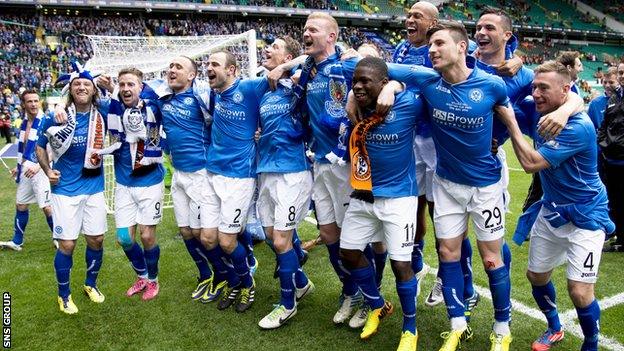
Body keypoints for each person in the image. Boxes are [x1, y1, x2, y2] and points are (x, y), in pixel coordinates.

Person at [386, 21, 518, 350]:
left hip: (485, 187)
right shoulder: (427, 81)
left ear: (461, 47)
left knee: (491, 259)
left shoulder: (491, 85)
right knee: (448, 253)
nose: (432, 50)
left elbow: (508, 116)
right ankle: (457, 325)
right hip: (445, 184)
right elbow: (376, 66)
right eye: (430, 46)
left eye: (439, 44)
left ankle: (502, 327)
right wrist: (391, 86)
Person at [505, 61, 613, 351]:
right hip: (552, 210)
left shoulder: (578, 127)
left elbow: (530, 163)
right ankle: (554, 327)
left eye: (544, 88)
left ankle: (590, 343)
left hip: (586, 213)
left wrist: (511, 123)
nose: (536, 94)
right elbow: (503, 97)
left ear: (566, 90)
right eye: (534, 87)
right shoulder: (538, 109)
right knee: (536, 276)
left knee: (579, 291)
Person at [268, 12, 364, 325]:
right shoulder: (308, 68)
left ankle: (368, 296)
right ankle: (350, 292)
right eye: (304, 28)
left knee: (357, 240)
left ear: (332, 37)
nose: (306, 33)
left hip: (350, 164)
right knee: (328, 234)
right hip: (321, 163)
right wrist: (286, 64)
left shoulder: (349, 65)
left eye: (313, 29)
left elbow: (380, 75)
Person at [340, 57, 423, 351]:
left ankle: (410, 329)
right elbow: (336, 62)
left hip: (399, 197)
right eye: (355, 82)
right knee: (348, 253)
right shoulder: (357, 105)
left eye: (365, 82)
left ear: (383, 83)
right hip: (364, 195)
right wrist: (352, 95)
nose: (359, 86)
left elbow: (428, 79)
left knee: (401, 264)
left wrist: (396, 84)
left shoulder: (408, 104)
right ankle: (377, 304)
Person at [36, 64, 110, 314]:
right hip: (65, 190)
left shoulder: (103, 112)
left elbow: (128, 104)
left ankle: (91, 284)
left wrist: (112, 86)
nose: (81, 87)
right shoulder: (56, 115)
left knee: (97, 239)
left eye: (87, 84)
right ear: (70, 89)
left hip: (94, 187)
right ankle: (63, 295)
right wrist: (47, 171)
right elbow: (39, 147)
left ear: (93, 90)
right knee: (67, 245)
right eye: (77, 84)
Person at [256, 37, 315, 328]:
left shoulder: (299, 86)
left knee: (281, 240)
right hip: (265, 170)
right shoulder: (264, 92)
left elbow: (317, 59)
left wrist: (286, 68)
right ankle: (301, 282)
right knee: (271, 237)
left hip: (293, 171)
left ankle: (287, 304)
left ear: (289, 56)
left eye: (274, 47)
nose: (267, 49)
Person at [204, 50, 267, 312]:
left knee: (227, 241)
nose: (209, 68)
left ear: (231, 70)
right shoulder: (212, 93)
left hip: (240, 176)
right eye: (208, 64)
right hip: (212, 172)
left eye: (215, 64)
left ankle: (246, 283)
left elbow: (284, 76)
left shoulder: (250, 87)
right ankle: (233, 280)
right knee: (208, 239)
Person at [106, 68, 165, 300]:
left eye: (131, 84)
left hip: (150, 182)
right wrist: (61, 106)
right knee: (124, 238)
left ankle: (153, 280)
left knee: (147, 236)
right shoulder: (111, 108)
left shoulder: (153, 107)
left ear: (141, 87)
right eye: (121, 84)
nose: (126, 89)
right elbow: (82, 101)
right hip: (123, 184)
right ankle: (142, 276)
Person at [0, 89, 54, 251]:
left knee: (46, 206)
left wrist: (39, 166)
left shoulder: (46, 121)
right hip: (25, 169)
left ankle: (58, 237)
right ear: (23, 104)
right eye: (29, 101)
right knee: (21, 204)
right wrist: (19, 167)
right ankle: (17, 241)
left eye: (36, 101)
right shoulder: (24, 124)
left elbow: (54, 151)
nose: (33, 104)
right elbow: (23, 150)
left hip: (41, 169)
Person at [598, 63, 624, 253]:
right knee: (614, 200)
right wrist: (604, 144)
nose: (622, 76)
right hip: (611, 160)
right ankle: (620, 238)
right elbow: (604, 125)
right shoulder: (614, 97)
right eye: (620, 72)